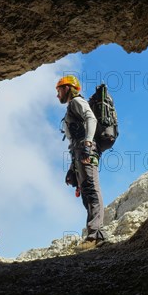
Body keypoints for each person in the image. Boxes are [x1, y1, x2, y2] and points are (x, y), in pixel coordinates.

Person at [56, 74, 106, 251]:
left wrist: (88, 143)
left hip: (85, 151)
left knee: (91, 189)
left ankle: (94, 236)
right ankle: (96, 236)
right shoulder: (71, 105)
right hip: (78, 153)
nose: (57, 94)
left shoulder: (76, 102)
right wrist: (72, 167)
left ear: (68, 88)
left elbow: (90, 118)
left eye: (59, 89)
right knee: (86, 191)